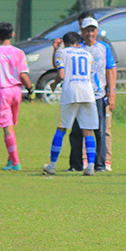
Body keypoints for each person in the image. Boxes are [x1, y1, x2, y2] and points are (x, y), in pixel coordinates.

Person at [51, 14, 117, 172]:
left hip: (95, 93)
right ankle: (77, 164)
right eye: (87, 30)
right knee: (77, 131)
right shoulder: (80, 48)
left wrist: (112, 92)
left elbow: (111, 69)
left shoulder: (103, 47)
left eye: (93, 30)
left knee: (98, 130)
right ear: (81, 31)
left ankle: (99, 164)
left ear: (97, 30)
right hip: (87, 92)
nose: (90, 33)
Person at [43, 32, 98, 176]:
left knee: (61, 128)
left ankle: (52, 165)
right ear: (78, 43)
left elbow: (60, 73)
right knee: (88, 130)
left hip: (70, 92)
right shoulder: (87, 54)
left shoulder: (62, 52)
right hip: (87, 92)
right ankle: (90, 166)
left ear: (64, 43)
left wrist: (54, 83)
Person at [0, 21, 32, 171]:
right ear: (13, 34)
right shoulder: (19, 52)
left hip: (2, 90)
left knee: (7, 127)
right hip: (16, 91)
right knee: (10, 124)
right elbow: (23, 75)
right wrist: (30, 89)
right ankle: (10, 160)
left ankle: (16, 162)